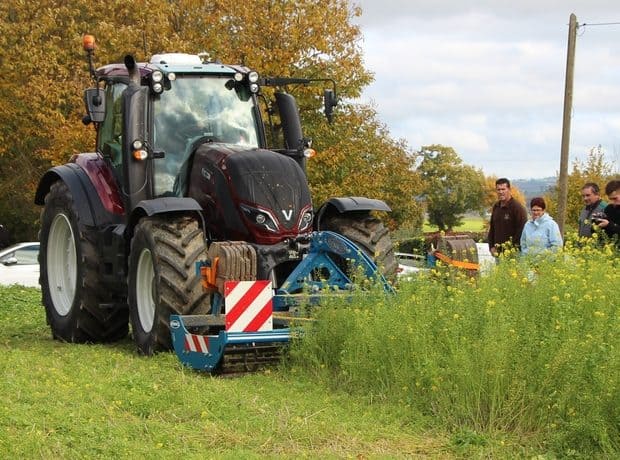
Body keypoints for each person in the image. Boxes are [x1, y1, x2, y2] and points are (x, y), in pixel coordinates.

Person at [488, 178, 528, 256]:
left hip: (513, 253)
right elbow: (492, 229)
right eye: (498, 189)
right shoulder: (496, 207)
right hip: (498, 252)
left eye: (503, 189)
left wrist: (511, 248)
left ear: (509, 190)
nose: (501, 192)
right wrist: (491, 246)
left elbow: (521, 231)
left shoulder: (517, 208)